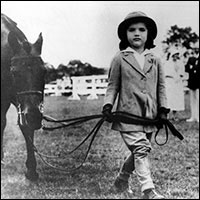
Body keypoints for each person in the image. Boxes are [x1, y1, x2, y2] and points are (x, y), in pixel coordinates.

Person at [102, 11, 170, 199]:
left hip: (149, 115)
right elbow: (112, 85)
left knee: (140, 149)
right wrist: (108, 105)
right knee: (140, 148)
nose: (137, 33)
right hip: (127, 115)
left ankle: (121, 180)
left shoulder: (155, 59)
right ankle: (148, 190)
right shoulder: (120, 58)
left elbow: (161, 86)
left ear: (149, 34)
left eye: (142, 29)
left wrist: (163, 109)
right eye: (132, 30)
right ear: (125, 34)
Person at [164, 50, 185, 121]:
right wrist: (172, 77)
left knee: (176, 99)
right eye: (175, 54)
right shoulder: (167, 63)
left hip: (177, 83)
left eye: (177, 54)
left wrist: (179, 77)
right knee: (169, 99)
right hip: (170, 83)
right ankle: (167, 116)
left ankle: (175, 116)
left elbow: (182, 73)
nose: (176, 56)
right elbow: (165, 73)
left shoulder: (180, 63)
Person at [185, 49, 199, 122]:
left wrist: (193, 68)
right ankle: (193, 116)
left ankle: (198, 116)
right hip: (192, 83)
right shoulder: (191, 59)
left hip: (198, 83)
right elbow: (187, 68)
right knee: (192, 101)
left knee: (198, 100)